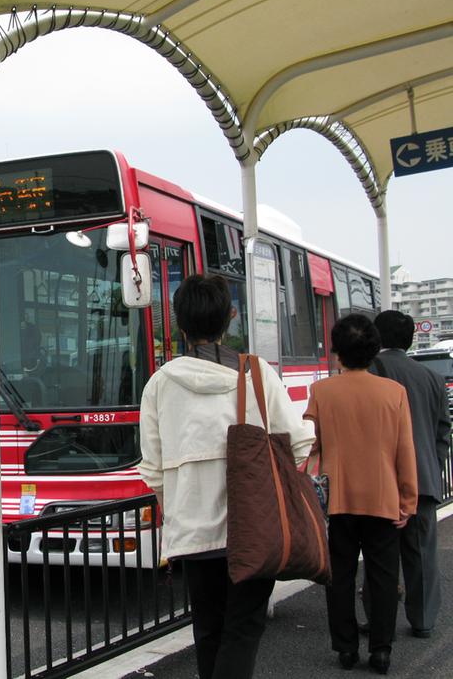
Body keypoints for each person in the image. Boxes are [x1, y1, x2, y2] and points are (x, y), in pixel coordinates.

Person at [138, 274, 313, 679]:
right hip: (255, 528)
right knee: (243, 630)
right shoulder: (257, 373)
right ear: (230, 318)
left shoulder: (159, 385)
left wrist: (177, 502)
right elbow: (301, 443)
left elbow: (152, 466)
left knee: (209, 629)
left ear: (179, 325)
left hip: (193, 533)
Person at [303, 314, 418, 674]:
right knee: (383, 577)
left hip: (338, 500)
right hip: (383, 499)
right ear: (373, 351)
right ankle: (381, 650)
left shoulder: (321, 392)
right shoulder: (393, 393)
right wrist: (408, 500)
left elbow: (310, 445)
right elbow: (404, 451)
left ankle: (346, 648)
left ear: (337, 352)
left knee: (339, 576)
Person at [368, 310, 450, 638]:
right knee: (422, 556)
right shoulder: (431, 377)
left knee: (378, 556)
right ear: (411, 339)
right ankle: (424, 619)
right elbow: (443, 429)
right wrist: (430, 461)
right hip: (425, 480)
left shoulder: (370, 372)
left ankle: (377, 619)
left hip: (380, 482)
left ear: (376, 336)